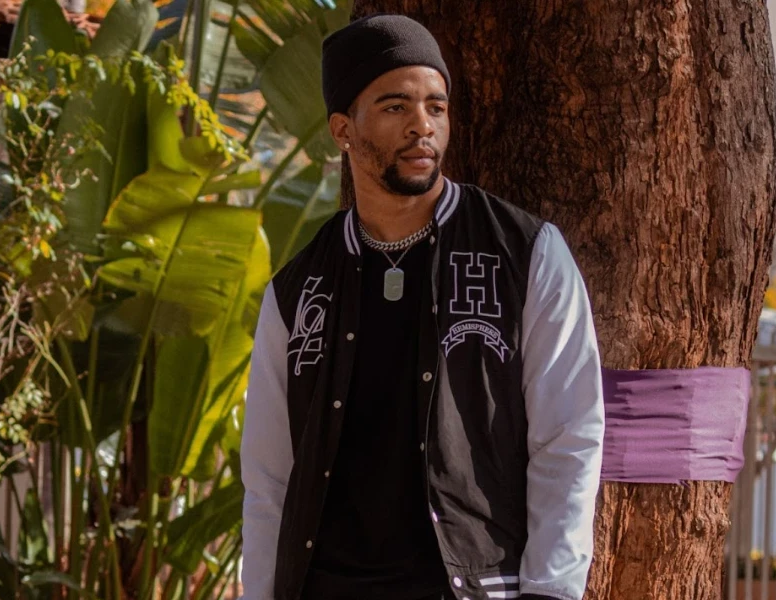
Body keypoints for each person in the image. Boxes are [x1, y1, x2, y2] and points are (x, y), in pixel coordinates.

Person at [240, 14, 604, 600]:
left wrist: (553, 590)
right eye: (394, 107)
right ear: (342, 129)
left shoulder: (527, 253)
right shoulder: (298, 288)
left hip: (472, 586)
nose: (421, 126)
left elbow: (568, 437)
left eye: (436, 107)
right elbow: (268, 478)